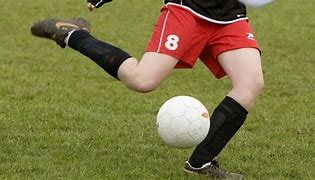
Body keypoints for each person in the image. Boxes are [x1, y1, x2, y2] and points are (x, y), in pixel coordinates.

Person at [31, 0, 264, 178]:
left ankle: (201, 161)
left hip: (230, 16)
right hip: (187, 10)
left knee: (250, 83)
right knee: (142, 80)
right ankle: (73, 33)